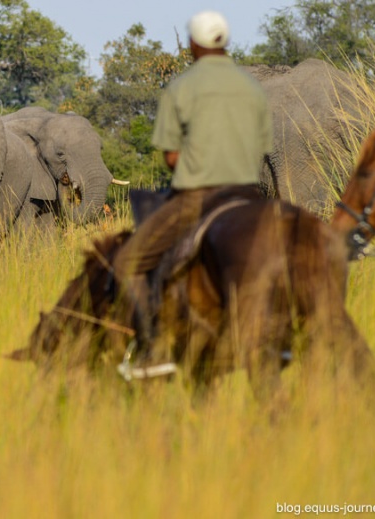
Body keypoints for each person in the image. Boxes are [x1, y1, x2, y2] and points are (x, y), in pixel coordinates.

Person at [112, 10, 273, 350]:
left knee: (127, 262)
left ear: (193, 45)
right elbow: (262, 148)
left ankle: (151, 346)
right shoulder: (253, 87)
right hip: (249, 196)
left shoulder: (181, 87)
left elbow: (171, 157)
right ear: (226, 42)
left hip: (198, 197)